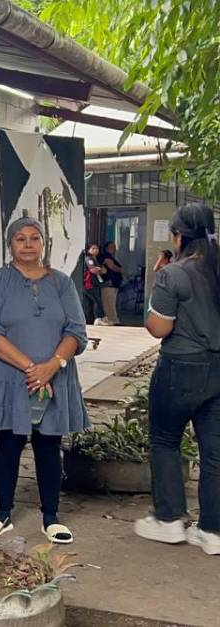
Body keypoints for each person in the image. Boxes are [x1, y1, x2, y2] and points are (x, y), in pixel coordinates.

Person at [0, 218, 88, 545]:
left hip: (55, 375)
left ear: (43, 244)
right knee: (7, 443)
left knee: (49, 445)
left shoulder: (62, 283)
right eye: (20, 239)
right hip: (10, 377)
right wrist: (32, 369)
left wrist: (52, 365)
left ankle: (50, 517)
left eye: (34, 238)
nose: (27, 244)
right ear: (10, 245)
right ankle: (2, 514)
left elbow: (76, 331)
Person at [134, 203, 220, 556]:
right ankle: (212, 530)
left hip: (180, 368)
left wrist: (158, 278)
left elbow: (159, 327)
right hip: (218, 369)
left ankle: (169, 520)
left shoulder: (175, 274)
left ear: (179, 236)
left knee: (165, 439)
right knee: (215, 451)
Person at [97, 241, 124, 325]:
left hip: (114, 284)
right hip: (109, 283)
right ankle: (112, 320)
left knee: (111, 302)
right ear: (106, 248)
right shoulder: (105, 256)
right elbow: (111, 266)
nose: (114, 249)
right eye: (112, 247)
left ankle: (112, 319)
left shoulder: (111, 257)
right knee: (109, 303)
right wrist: (121, 269)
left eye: (115, 247)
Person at [82, 244, 105, 324]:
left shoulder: (95, 259)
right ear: (88, 250)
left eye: (97, 248)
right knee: (96, 301)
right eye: (93, 248)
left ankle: (90, 320)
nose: (96, 250)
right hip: (89, 284)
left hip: (93, 283)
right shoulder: (89, 259)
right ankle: (98, 318)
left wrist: (99, 269)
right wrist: (100, 269)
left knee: (90, 302)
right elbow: (93, 270)